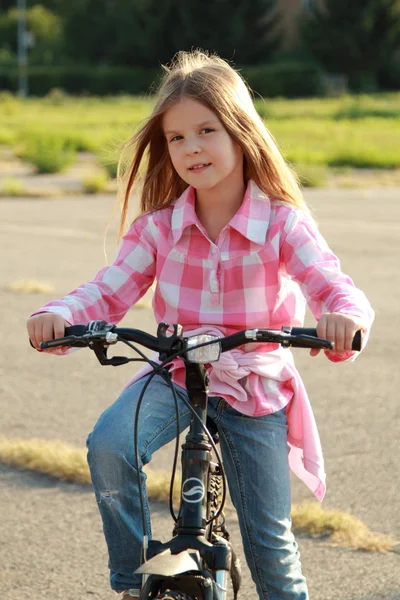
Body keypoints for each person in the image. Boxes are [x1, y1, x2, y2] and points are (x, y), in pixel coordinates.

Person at [27, 50, 374, 600]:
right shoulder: (160, 228)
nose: (191, 148)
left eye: (206, 131)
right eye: (176, 138)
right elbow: (109, 288)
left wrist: (344, 317)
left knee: (270, 544)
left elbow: (331, 282)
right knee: (110, 444)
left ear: (240, 132)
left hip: (254, 384)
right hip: (173, 373)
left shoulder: (282, 222)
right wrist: (63, 315)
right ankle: (132, 578)